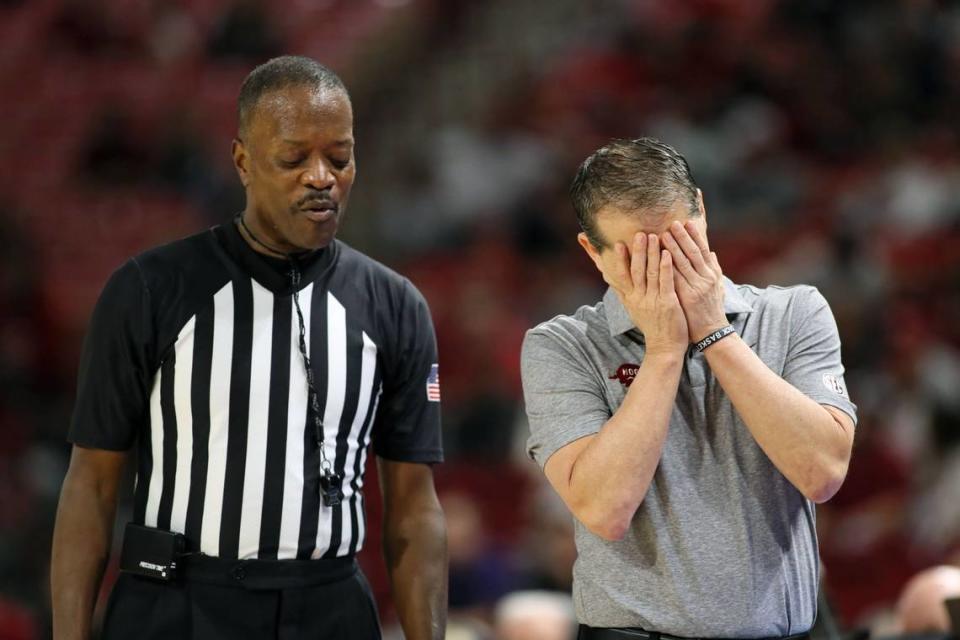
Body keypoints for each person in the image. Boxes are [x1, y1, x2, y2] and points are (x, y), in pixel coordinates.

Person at [50, 55, 448, 640]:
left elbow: (415, 509)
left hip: (330, 607)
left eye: (340, 156)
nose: (321, 177)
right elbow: (91, 483)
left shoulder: (396, 305)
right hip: (178, 604)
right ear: (242, 161)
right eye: (293, 158)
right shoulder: (148, 288)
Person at [520, 138, 857, 639]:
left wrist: (715, 333)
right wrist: (663, 351)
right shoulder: (562, 347)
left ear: (702, 209)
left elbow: (823, 473)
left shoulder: (796, 313)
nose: (667, 270)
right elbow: (605, 509)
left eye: (681, 243)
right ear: (594, 253)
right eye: (642, 256)